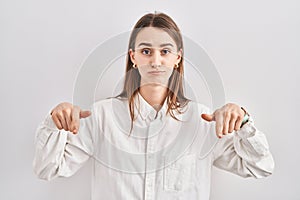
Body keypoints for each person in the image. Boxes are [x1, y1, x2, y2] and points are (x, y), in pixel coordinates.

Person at [33, 12, 274, 200]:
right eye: (146, 51)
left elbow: (260, 167)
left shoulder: (202, 122)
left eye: (165, 51)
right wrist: (56, 122)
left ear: (177, 58)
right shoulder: (102, 117)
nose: (156, 61)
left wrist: (242, 121)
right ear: (133, 57)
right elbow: (48, 169)